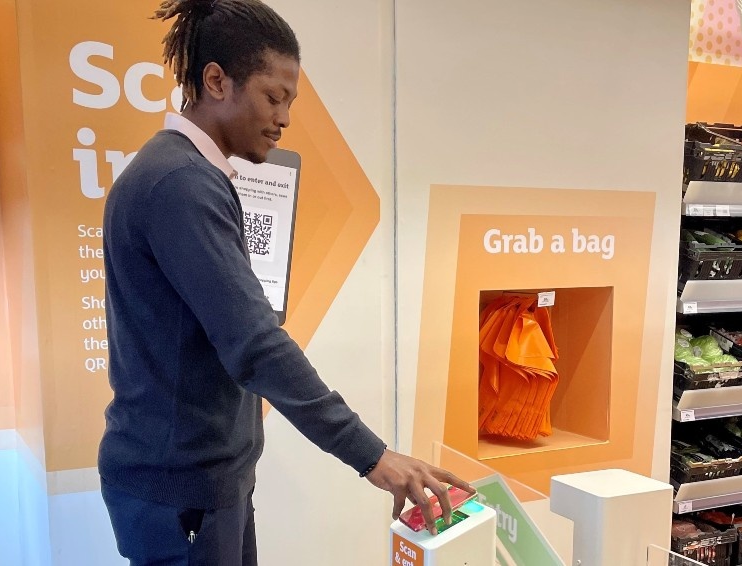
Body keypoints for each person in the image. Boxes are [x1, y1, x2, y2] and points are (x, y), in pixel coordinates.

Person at [98, 0, 474, 564]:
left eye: (290, 101)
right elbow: (254, 342)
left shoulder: (186, 174)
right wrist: (372, 455)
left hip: (196, 486)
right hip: (182, 493)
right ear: (217, 80)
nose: (285, 117)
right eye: (275, 97)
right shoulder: (179, 184)